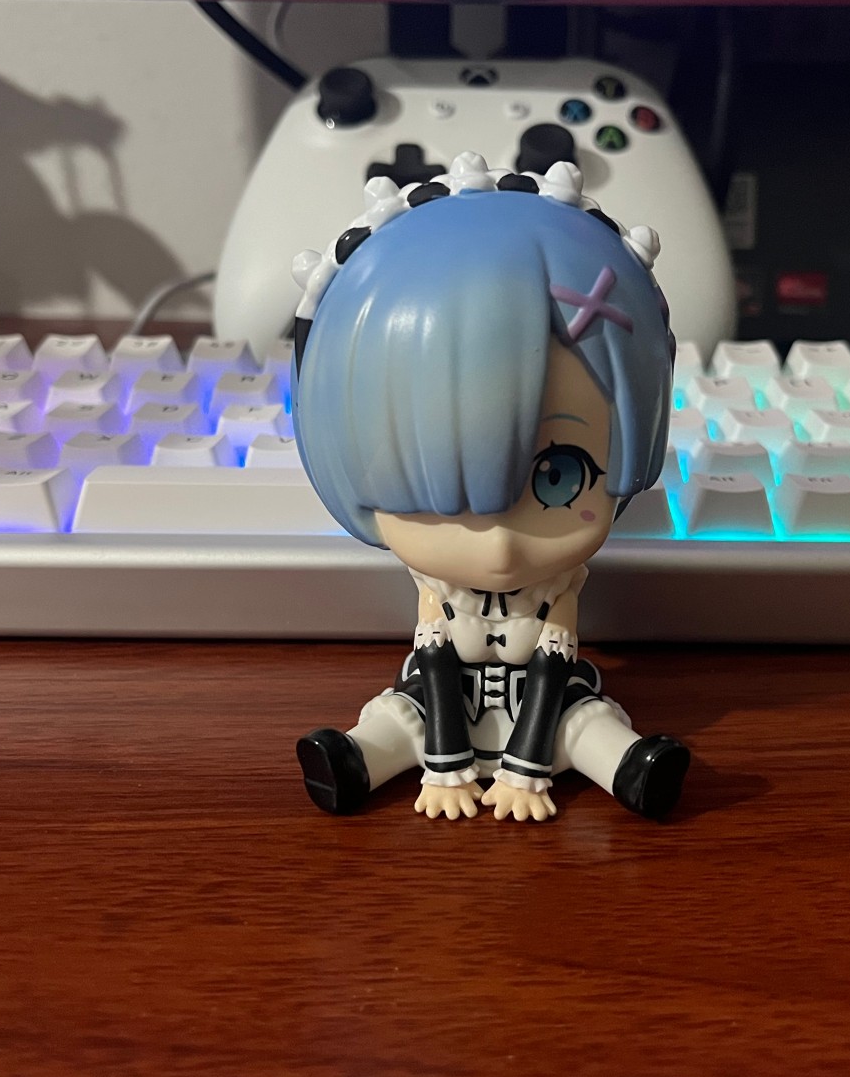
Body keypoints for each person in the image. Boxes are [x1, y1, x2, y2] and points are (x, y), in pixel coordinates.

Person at [291, 152, 691, 821]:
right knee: (399, 718)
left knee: (582, 725)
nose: (500, 544)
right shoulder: (436, 593)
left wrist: (526, 775)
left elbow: (551, 675)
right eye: (432, 490)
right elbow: (437, 671)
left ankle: (630, 768)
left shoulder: (558, 593)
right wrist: (445, 772)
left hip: (542, 712)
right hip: (444, 709)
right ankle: (356, 759)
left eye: (560, 477)